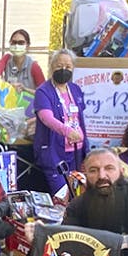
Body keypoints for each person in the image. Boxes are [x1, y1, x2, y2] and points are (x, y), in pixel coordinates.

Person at [32, 48, 88, 194]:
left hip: (77, 152)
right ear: (51, 67)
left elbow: (79, 117)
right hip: (54, 152)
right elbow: (46, 118)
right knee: (62, 194)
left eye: (68, 67)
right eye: (59, 66)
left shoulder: (75, 89)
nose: (64, 70)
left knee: (78, 193)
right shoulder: (43, 91)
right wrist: (67, 132)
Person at [0, 28, 46, 93]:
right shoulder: (6, 59)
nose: (16, 45)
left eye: (21, 43)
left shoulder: (33, 66)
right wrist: (8, 86)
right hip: (9, 101)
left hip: (29, 102)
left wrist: (25, 89)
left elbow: (44, 92)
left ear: (27, 45)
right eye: (14, 42)